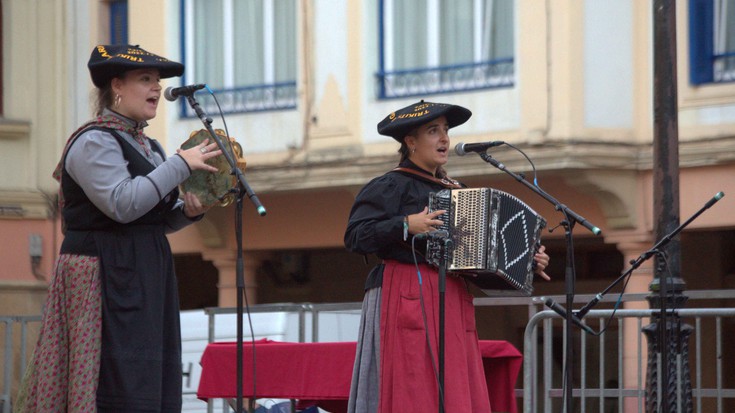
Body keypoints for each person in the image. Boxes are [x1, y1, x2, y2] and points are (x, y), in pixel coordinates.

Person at [14, 44, 223, 413]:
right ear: (117, 87)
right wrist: (179, 165)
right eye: (146, 79)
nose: (157, 88)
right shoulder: (93, 141)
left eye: (158, 81)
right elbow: (123, 204)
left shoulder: (150, 146)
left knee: (146, 379)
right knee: (110, 379)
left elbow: (153, 217)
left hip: (144, 269)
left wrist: (190, 212)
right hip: (102, 272)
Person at [344, 100, 551, 413]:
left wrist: (527, 263)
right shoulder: (390, 185)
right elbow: (356, 236)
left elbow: (479, 256)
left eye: (445, 131)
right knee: (412, 383)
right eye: (433, 131)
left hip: (451, 294)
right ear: (410, 142)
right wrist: (405, 224)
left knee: (452, 387)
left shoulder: (458, 191)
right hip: (404, 292)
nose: (444, 138)